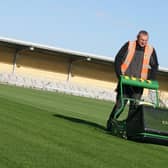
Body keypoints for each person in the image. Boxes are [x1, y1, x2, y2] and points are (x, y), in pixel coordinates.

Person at [106, 30, 159, 131]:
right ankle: (110, 123)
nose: (144, 42)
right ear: (137, 37)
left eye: (146, 40)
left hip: (138, 84)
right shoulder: (129, 45)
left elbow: (155, 65)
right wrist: (119, 75)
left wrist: (150, 79)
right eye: (142, 40)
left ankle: (128, 129)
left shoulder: (150, 49)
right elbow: (118, 59)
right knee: (120, 105)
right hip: (125, 82)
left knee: (134, 108)